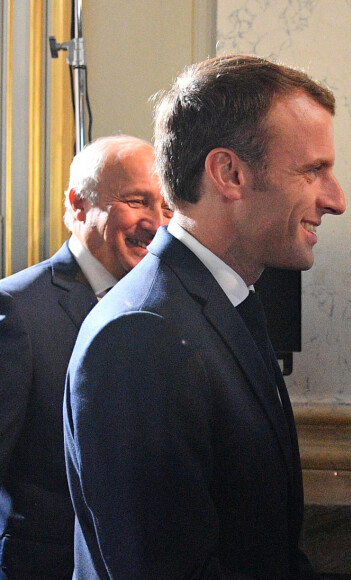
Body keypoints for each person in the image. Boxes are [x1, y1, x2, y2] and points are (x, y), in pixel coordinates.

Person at [63, 54, 346, 579]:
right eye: (313, 171)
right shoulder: (143, 335)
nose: (336, 199)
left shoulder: (224, 302)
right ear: (229, 173)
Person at [0, 134, 171, 578]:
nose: (157, 224)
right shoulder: (17, 309)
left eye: (166, 207)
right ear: (78, 205)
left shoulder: (167, 307)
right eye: (138, 202)